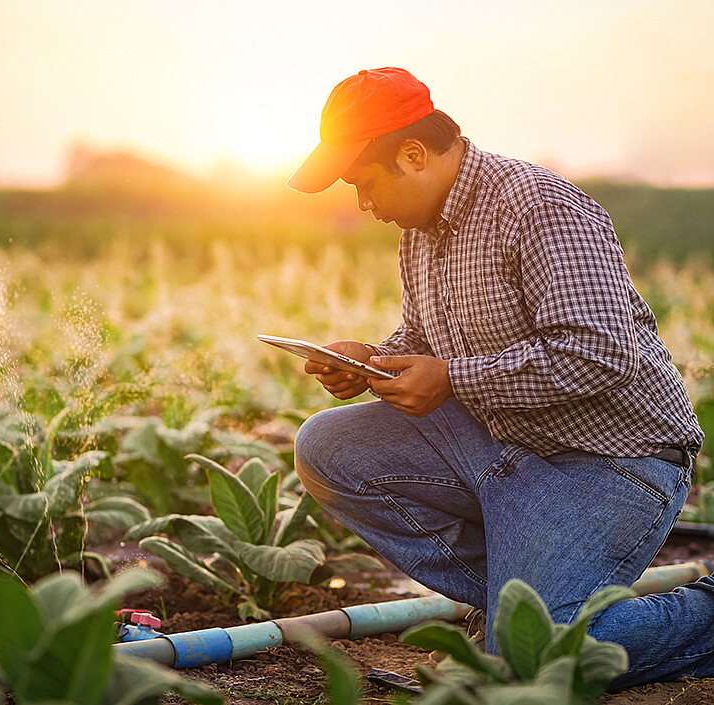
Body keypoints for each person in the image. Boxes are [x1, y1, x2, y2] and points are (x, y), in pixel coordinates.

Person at [288, 66, 712, 689]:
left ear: (413, 155)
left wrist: (454, 379)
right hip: (506, 443)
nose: (363, 204)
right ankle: (516, 598)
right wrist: (372, 360)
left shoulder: (542, 208)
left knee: (541, 661)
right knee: (327, 448)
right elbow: (427, 342)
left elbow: (597, 352)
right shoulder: (420, 231)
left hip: (611, 460)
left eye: (363, 183)